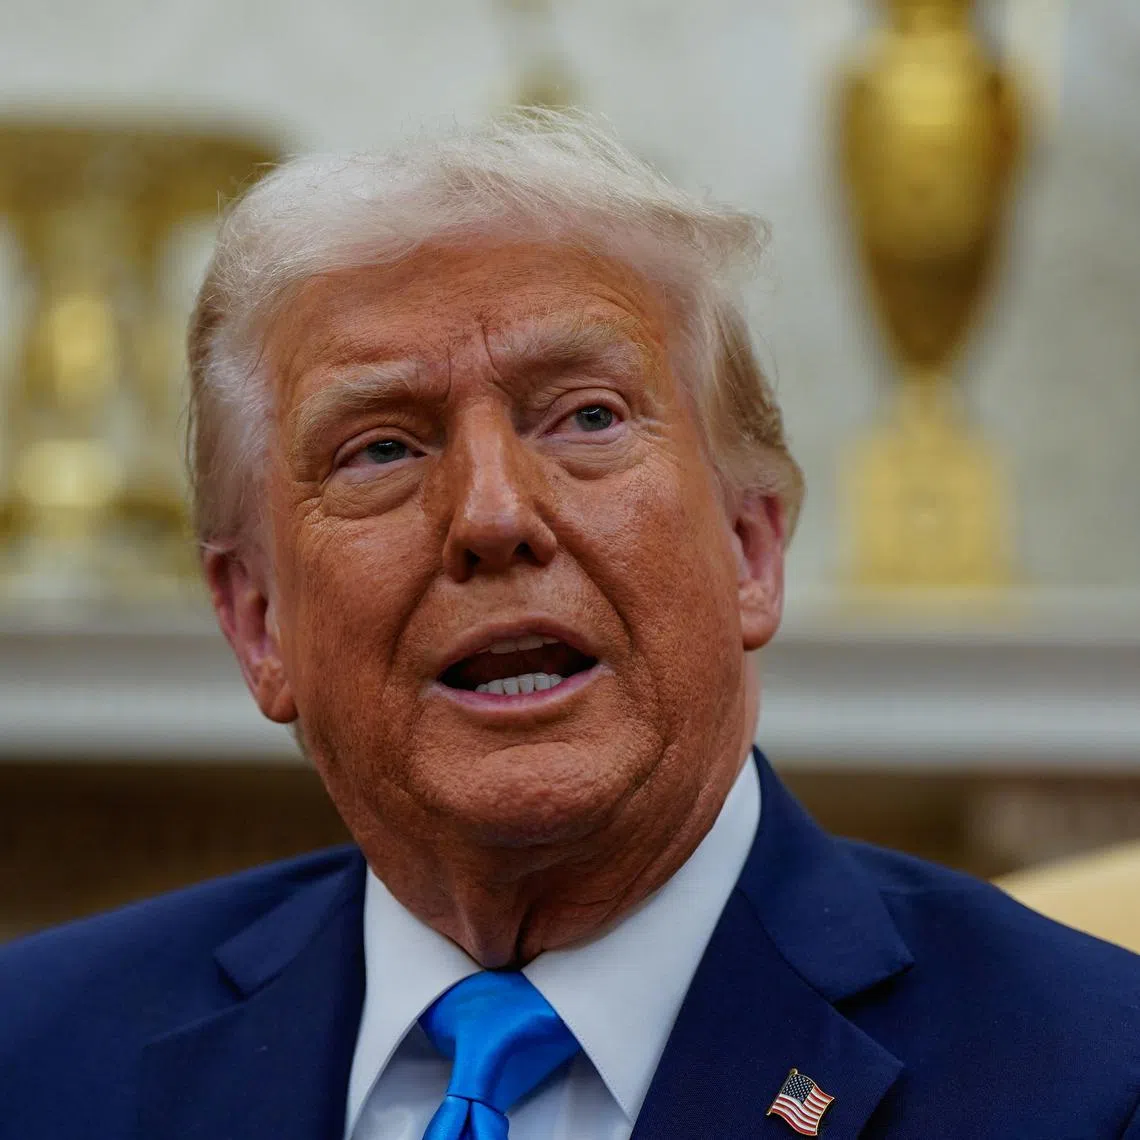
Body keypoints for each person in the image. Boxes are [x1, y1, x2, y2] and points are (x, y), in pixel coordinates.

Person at [2, 111, 1139, 1140]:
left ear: (751, 548)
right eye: (383, 448)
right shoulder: (38, 1064)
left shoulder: (1090, 1080)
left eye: (587, 418)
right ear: (258, 623)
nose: (493, 516)